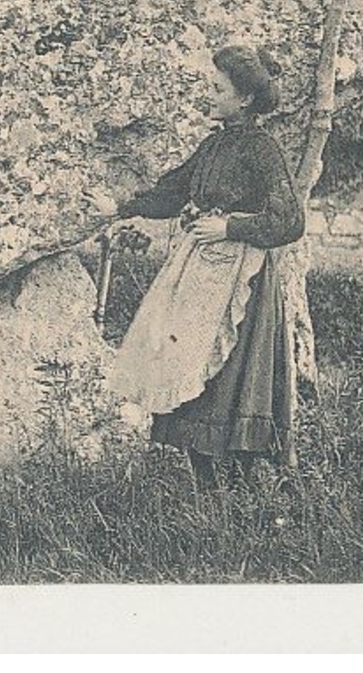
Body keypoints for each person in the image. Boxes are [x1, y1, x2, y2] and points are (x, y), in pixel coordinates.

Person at [90, 44, 305, 489]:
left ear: (244, 98)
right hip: (199, 275)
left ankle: (235, 499)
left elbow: (289, 220)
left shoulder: (262, 149)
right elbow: (172, 192)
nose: (207, 95)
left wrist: (230, 227)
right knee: (189, 373)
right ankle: (207, 499)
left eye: (217, 88)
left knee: (224, 384)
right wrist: (119, 207)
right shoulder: (213, 145)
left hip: (240, 283)